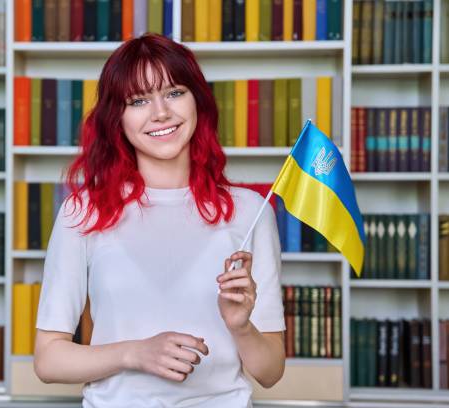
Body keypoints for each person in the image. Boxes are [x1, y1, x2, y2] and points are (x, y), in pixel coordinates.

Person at [33, 33, 285, 408]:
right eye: (138, 100)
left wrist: (240, 327)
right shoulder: (83, 211)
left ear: (197, 100)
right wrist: (134, 353)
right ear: (116, 118)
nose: (160, 113)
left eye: (174, 92)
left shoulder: (251, 211)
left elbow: (271, 372)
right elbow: (48, 359)